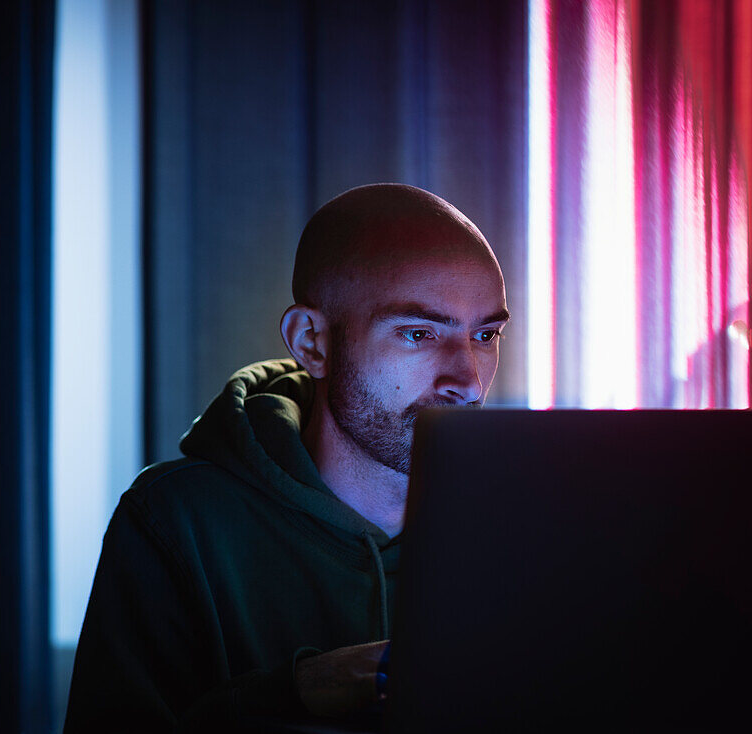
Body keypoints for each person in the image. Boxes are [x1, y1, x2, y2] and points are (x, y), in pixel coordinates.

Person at [63, 183, 509, 732]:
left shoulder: (526, 526)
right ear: (312, 342)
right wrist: (297, 692)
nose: (467, 382)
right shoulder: (176, 523)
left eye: (485, 335)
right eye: (418, 334)